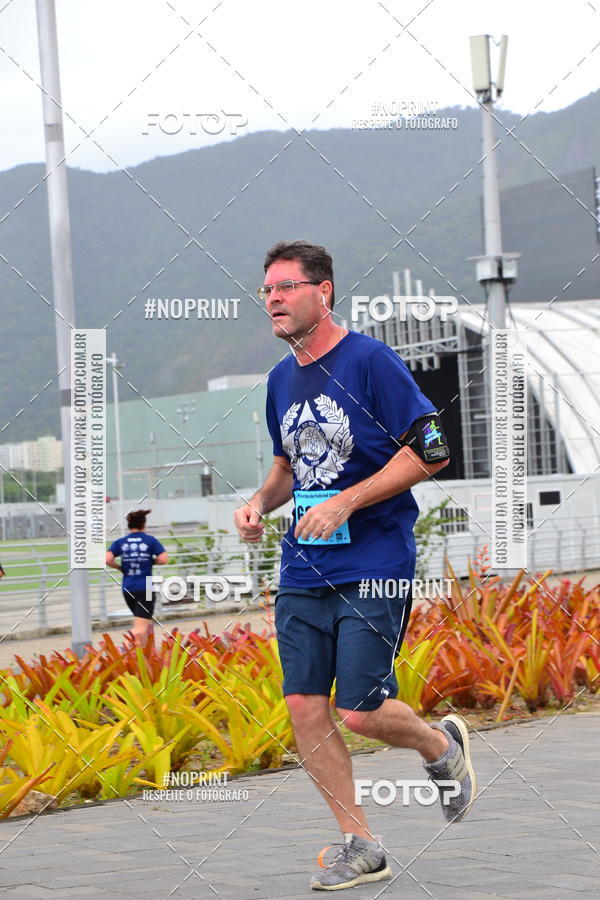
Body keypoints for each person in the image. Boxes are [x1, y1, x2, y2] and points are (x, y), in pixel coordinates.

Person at [233, 241, 476, 891]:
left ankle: (439, 748)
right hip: (302, 568)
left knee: (362, 710)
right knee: (306, 709)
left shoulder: (370, 362)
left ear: (324, 292)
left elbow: (432, 449)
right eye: (267, 291)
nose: (274, 300)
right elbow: (289, 464)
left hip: (376, 558)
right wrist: (259, 502)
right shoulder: (280, 380)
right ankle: (359, 842)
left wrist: (348, 500)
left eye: (286, 287)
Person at [105, 508, 168, 641]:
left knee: (144, 621)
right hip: (145, 588)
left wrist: (120, 568)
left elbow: (107, 559)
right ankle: (126, 649)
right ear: (143, 525)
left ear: (129, 525)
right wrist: (152, 561)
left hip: (128, 587)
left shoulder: (121, 542)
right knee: (141, 627)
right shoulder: (150, 541)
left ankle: (146, 655)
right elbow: (163, 559)